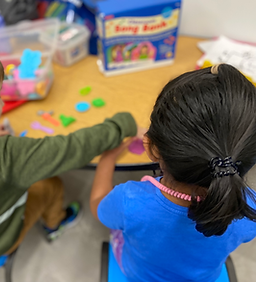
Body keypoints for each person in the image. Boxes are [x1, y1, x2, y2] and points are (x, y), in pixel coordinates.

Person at [0, 38, 143, 259]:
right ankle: (55, 225)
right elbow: (72, 148)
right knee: (51, 184)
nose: (1, 103)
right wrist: (124, 124)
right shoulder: (8, 156)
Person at [90, 64, 256, 281]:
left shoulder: (129, 200)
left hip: (138, 274)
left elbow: (98, 207)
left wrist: (108, 158)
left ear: (150, 147)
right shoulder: (250, 210)